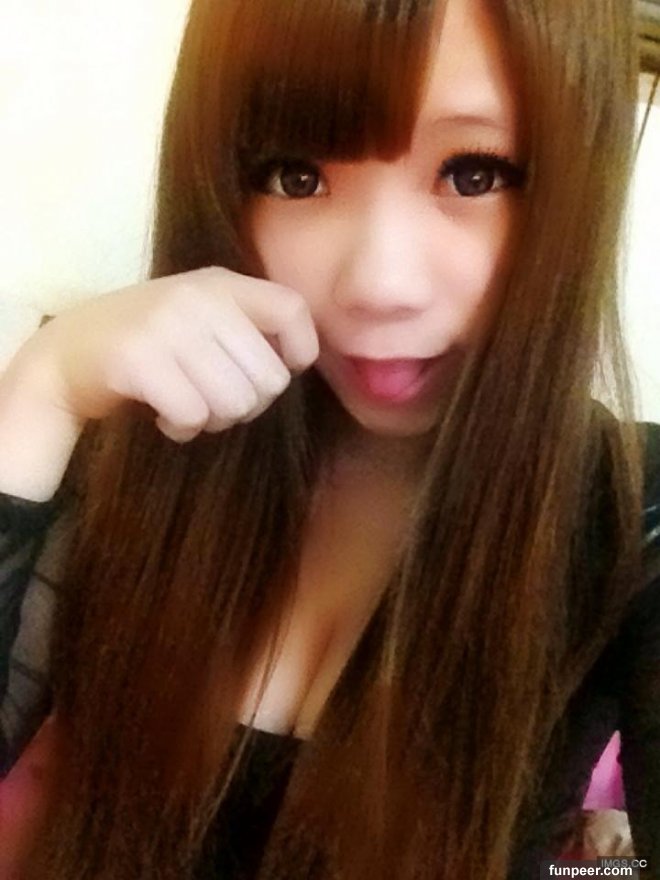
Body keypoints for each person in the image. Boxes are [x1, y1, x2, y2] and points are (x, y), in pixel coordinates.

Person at [0, 0, 658, 877]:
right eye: (297, 176)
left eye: (473, 174)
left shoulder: (632, 517)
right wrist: (38, 394)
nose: (379, 286)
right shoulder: (134, 425)